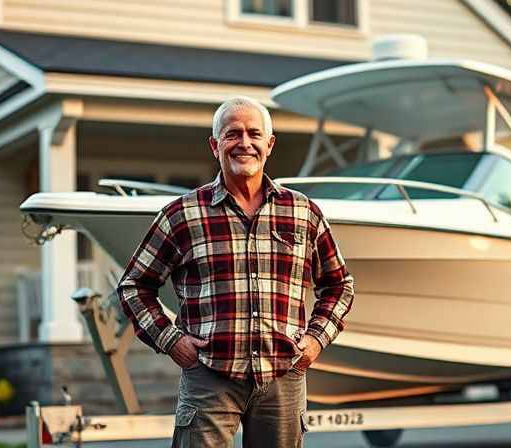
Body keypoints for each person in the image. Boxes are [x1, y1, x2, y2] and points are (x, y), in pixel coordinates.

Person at [117, 96, 355, 448]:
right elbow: (134, 285)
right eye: (232, 134)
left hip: (284, 377)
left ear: (269, 144)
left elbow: (339, 285)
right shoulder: (181, 214)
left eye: (254, 134)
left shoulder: (304, 212)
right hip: (208, 376)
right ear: (215, 146)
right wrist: (171, 341)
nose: (244, 143)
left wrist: (316, 339)